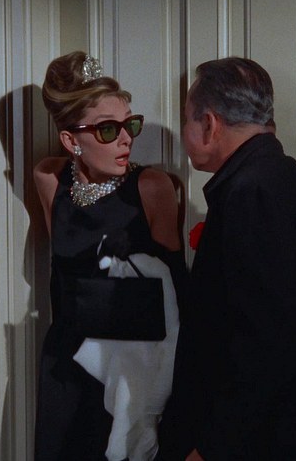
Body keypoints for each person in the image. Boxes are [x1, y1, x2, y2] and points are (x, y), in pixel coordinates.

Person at [157, 57, 296, 460]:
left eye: (186, 120)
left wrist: (211, 447)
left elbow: (266, 343)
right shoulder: (289, 181)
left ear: (209, 125)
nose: (185, 133)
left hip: (279, 438)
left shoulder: (253, 195)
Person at [32, 51, 186, 461]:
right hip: (66, 371)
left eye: (129, 125)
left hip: (131, 379)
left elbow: (177, 300)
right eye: (107, 130)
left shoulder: (152, 188)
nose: (125, 139)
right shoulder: (48, 179)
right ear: (71, 141)